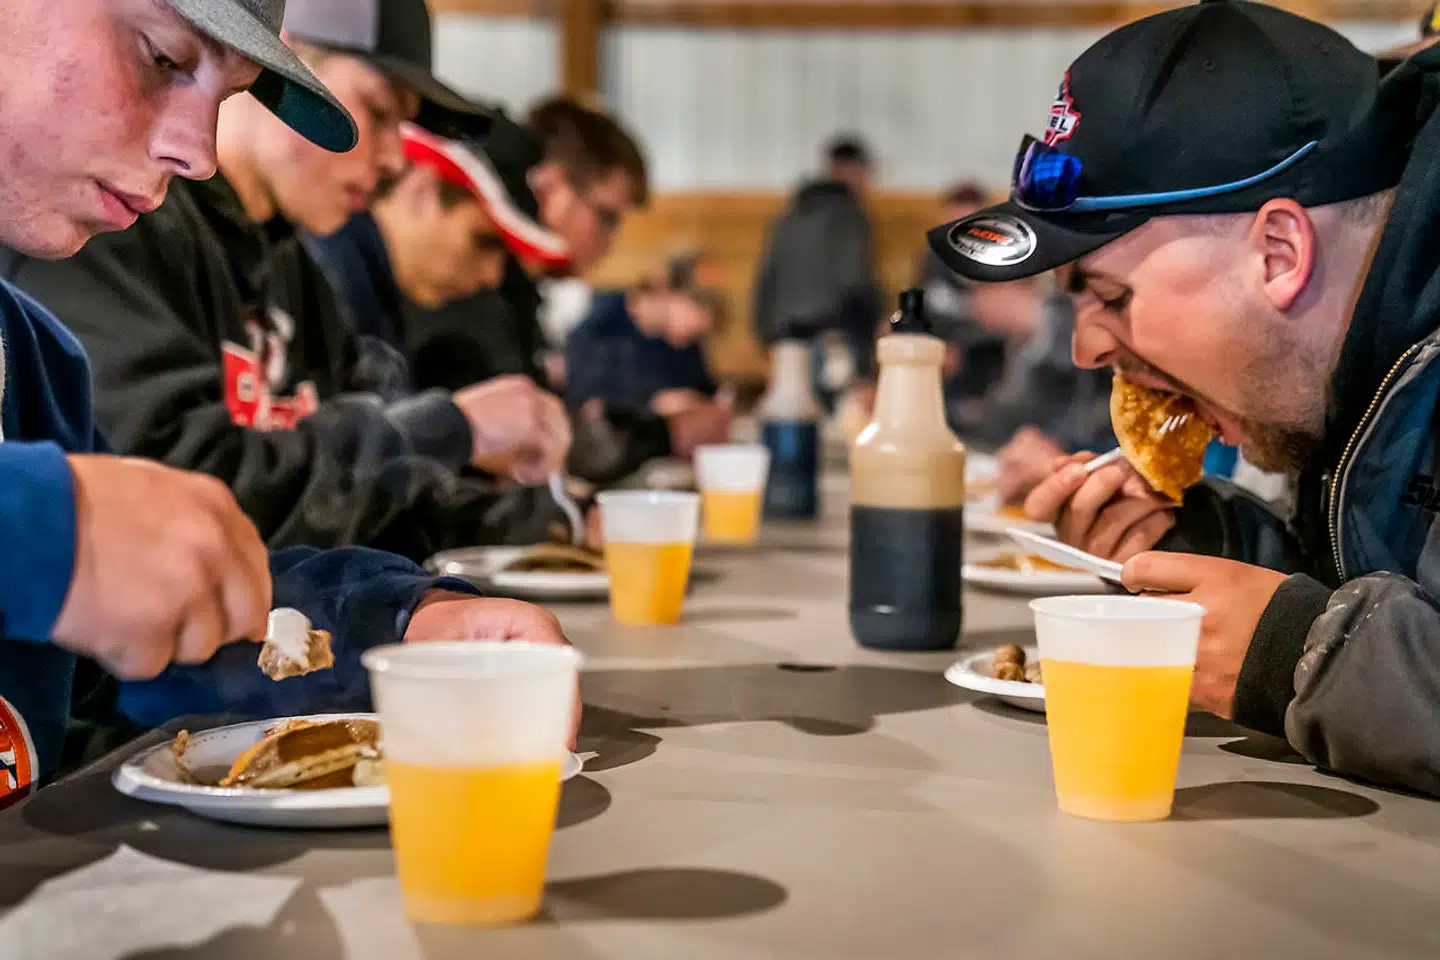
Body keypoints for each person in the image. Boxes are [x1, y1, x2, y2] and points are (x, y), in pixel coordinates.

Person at [0, 0, 574, 792]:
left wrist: (395, 623)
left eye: (232, 96)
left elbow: (128, 637)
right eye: (160, 57)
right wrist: (45, 528)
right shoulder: (111, 267)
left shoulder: (37, 363)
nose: (198, 155)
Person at [929, 0, 1440, 796]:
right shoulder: (1335, 377)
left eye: (1109, 294)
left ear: (1278, 252)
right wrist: (1206, 544)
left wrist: (1296, 656)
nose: (1084, 348)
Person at [363, 101, 731, 482]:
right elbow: (512, 454)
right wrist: (662, 434)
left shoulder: (510, 289)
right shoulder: (460, 285)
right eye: (606, 217)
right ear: (551, 187)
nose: (611, 241)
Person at [753, 133, 883, 403]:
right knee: (837, 419)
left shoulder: (791, 212)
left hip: (784, 338)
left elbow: (767, 274)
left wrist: (763, 331)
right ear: (853, 169)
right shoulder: (848, 214)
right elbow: (855, 279)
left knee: (794, 414)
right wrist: (873, 330)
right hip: (832, 336)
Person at [565, 252, 722, 418]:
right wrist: (651, 405)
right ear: (663, 288)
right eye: (695, 306)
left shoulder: (685, 346)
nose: (698, 322)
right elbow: (588, 400)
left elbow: (706, 393)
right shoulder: (603, 325)